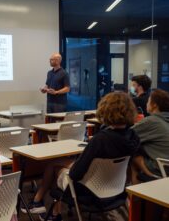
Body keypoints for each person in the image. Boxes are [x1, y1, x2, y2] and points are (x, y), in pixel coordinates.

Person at [23, 92, 140, 221]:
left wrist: (72, 165)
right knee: (59, 163)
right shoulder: (133, 136)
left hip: (89, 191)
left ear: (105, 111)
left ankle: (52, 212)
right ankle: (45, 207)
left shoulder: (100, 139)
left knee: (56, 168)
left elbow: (75, 174)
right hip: (116, 188)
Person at [131, 89, 169, 183]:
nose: (146, 103)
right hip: (166, 163)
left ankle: (135, 192)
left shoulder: (152, 121)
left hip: (162, 168)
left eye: (148, 101)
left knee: (132, 153)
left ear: (154, 105)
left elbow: (126, 135)